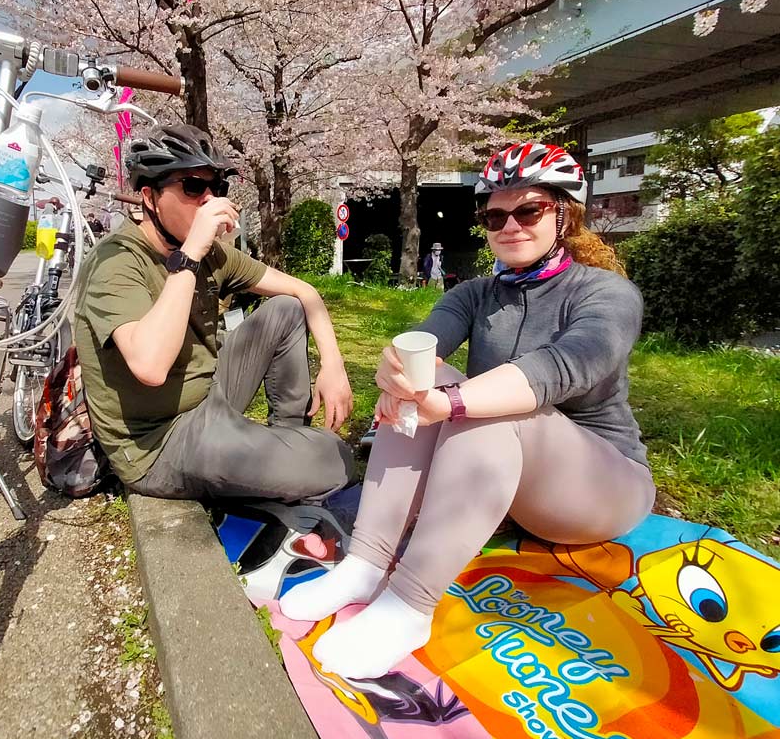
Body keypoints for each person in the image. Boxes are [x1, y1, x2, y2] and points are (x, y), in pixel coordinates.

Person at [280, 142, 655, 679]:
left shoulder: (606, 294)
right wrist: (398, 375)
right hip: (509, 487)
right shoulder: (477, 293)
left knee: (476, 406)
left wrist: (451, 403)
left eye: (529, 211)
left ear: (564, 214)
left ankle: (410, 604)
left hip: (602, 488)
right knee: (431, 383)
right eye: (494, 215)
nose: (510, 225)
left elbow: (563, 368)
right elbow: (423, 344)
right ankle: (365, 563)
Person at [74, 123, 355, 502]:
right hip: (160, 442)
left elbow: (302, 291)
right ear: (149, 197)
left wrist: (333, 364)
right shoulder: (116, 262)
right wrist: (189, 255)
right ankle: (286, 464)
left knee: (286, 309)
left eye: (216, 188)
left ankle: (286, 437)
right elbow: (150, 366)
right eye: (192, 186)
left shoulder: (210, 253)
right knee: (336, 460)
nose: (208, 200)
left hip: (209, 394)